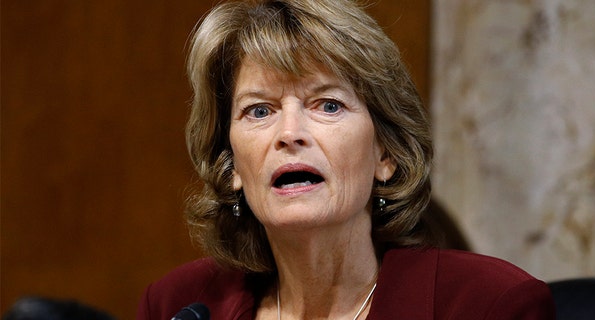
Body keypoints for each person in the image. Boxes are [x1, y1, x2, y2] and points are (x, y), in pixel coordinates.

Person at [137, 0, 556, 319]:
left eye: (328, 105)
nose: (289, 134)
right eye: (260, 110)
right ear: (231, 167)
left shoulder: (486, 305)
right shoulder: (181, 305)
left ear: (386, 153)